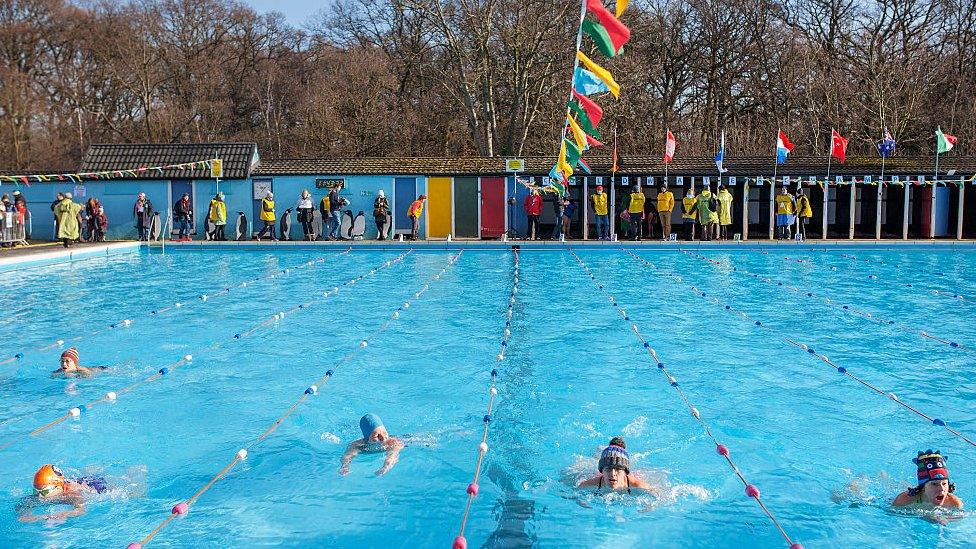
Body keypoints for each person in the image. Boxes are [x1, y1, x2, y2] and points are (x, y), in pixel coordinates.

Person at [17, 464, 108, 522]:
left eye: (44, 491)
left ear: (58, 487)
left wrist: (63, 514)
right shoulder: (41, 493)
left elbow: (81, 510)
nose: (40, 495)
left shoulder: (71, 494)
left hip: (96, 485)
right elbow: (22, 507)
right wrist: (27, 516)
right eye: (36, 490)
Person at [577, 437, 655, 493]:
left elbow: (658, 494)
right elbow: (574, 493)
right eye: (608, 469)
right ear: (602, 471)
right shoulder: (589, 484)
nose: (613, 474)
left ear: (625, 472)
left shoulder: (637, 485)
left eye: (618, 469)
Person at [892, 450, 963, 511]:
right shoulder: (904, 500)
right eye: (934, 484)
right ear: (923, 487)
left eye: (944, 484)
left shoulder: (954, 503)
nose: (941, 489)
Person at [339, 413, 404, 477]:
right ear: (367, 438)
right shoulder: (358, 445)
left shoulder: (393, 442)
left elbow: (392, 456)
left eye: (385, 433)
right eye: (377, 436)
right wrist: (345, 466)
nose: (383, 438)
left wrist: (385, 467)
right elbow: (347, 456)